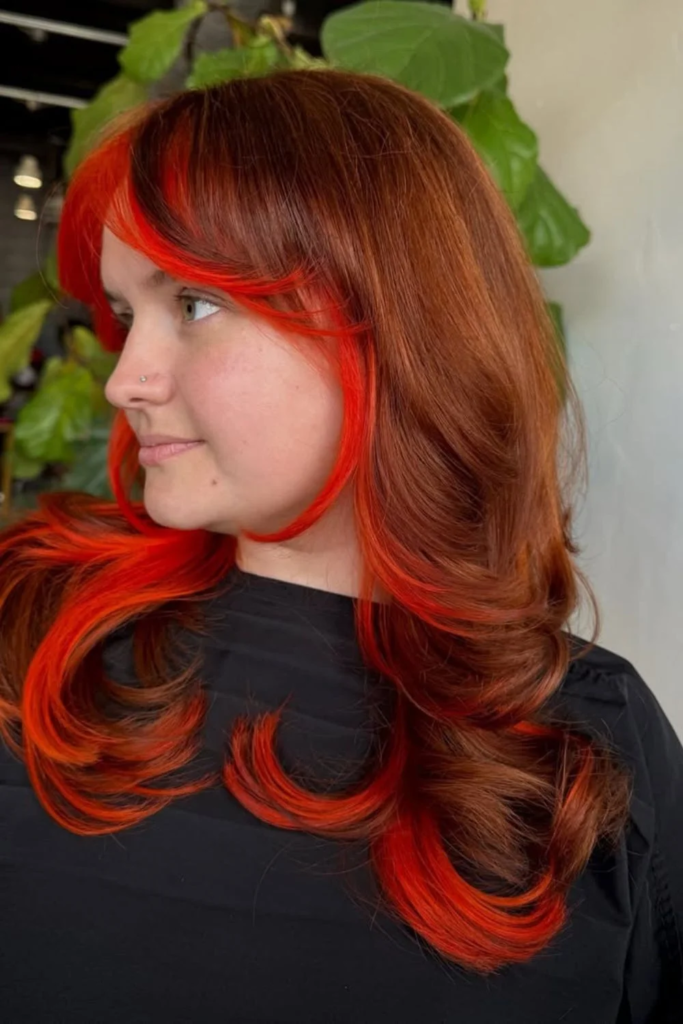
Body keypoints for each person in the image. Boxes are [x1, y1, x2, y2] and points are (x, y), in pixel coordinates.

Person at [0, 68, 680, 1024]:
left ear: (400, 324)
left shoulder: (586, 737)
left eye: (193, 303)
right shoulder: (31, 625)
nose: (125, 380)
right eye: (125, 316)